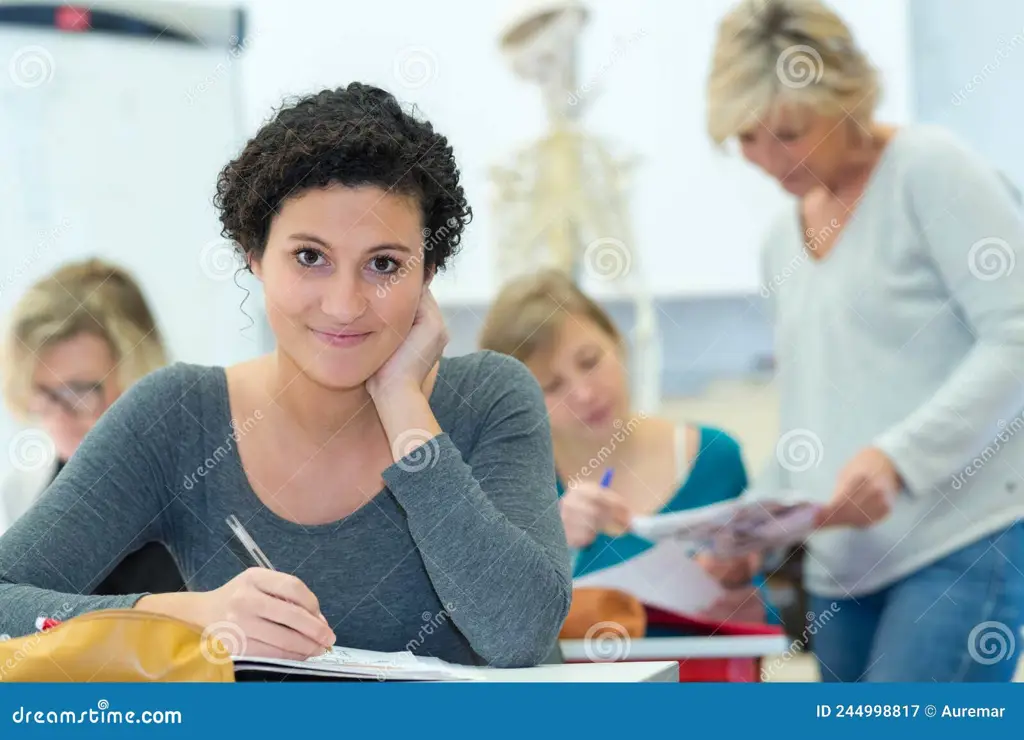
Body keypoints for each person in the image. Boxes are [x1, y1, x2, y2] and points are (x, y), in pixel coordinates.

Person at [0, 83, 572, 668]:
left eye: (384, 264)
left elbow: (519, 636)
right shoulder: (177, 418)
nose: (345, 303)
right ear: (255, 254)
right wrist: (181, 615)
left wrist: (403, 405)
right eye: (309, 257)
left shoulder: (492, 397)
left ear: (426, 273)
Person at [706, 0, 1024, 681]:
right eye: (748, 139)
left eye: (788, 132)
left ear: (845, 95)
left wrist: (897, 458)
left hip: (961, 544)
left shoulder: (929, 170)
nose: (767, 160)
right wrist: (750, 531)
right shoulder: (779, 241)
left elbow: (1016, 336)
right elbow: (810, 413)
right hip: (840, 570)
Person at [479, 269, 776, 628]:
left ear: (617, 342)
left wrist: (739, 583)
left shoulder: (715, 458)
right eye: (552, 385)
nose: (585, 394)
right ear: (519, 403)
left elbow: (762, 619)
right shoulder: (508, 490)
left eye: (590, 362)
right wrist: (552, 545)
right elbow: (493, 631)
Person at [0, 258, 185, 596]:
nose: (59, 419)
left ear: (140, 381)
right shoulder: (23, 493)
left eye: (79, 393)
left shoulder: (200, 487)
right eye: (44, 393)